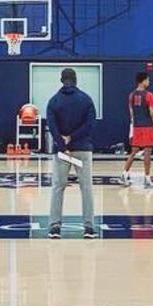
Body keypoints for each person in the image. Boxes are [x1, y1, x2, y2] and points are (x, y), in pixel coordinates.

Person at [45, 67, 101, 239]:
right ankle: (89, 228)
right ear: (76, 80)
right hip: (82, 150)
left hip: (62, 153)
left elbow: (52, 127)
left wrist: (62, 143)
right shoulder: (86, 100)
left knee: (58, 187)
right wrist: (73, 137)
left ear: (62, 80)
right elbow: (90, 125)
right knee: (86, 188)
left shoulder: (53, 101)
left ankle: (54, 227)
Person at [123, 72, 153, 188]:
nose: (149, 82)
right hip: (147, 127)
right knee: (147, 153)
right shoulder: (149, 95)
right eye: (148, 80)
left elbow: (131, 113)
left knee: (133, 152)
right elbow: (152, 113)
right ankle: (147, 179)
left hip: (136, 126)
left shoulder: (131, 95)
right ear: (143, 81)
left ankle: (124, 174)